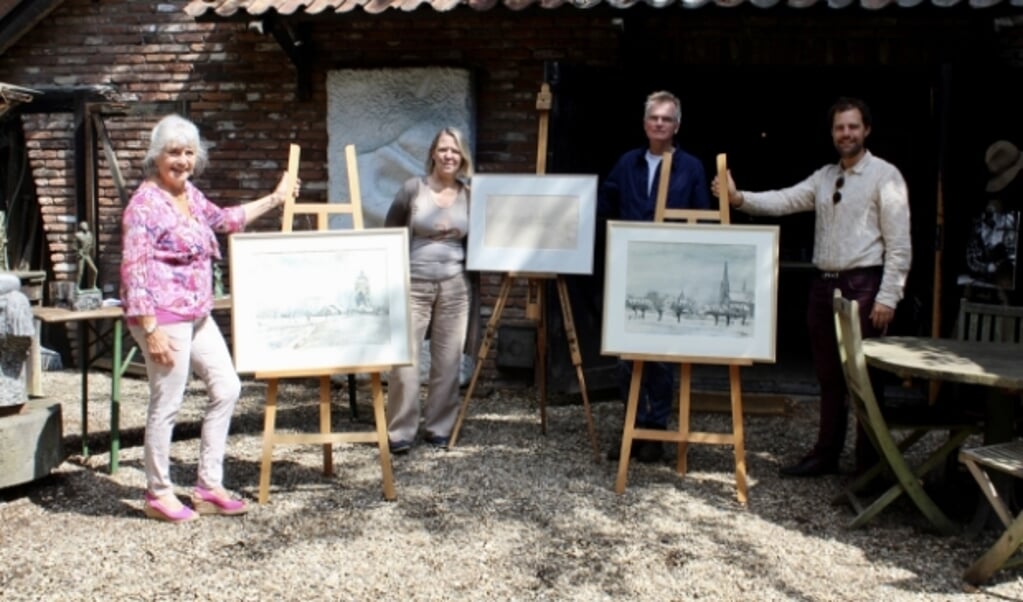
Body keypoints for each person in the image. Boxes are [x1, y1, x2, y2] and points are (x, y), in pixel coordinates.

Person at [712, 97, 911, 477]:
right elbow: (784, 199)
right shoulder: (825, 177)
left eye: (853, 126)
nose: (846, 134)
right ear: (833, 133)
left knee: (866, 379)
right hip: (825, 286)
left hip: (864, 285)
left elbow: (900, 245)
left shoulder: (886, 176)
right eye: (840, 128)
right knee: (829, 376)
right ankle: (826, 455)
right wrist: (739, 199)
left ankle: (871, 465)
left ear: (866, 129)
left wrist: (888, 296)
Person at [121, 114, 297, 522]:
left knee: (227, 387)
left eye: (188, 153)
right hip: (161, 317)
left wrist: (276, 197)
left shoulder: (190, 195)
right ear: (156, 157)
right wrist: (150, 331)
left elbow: (224, 220)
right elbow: (134, 271)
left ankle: (207, 486)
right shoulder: (144, 205)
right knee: (167, 403)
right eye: (173, 153)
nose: (181, 161)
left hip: (197, 313)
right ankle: (159, 493)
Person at [599, 90, 712, 463]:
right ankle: (632, 426)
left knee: (662, 357)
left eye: (666, 119)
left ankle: (656, 431)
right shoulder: (627, 163)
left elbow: (702, 218)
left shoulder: (691, 167)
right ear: (645, 123)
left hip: (671, 273)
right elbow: (606, 206)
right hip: (629, 269)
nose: (659, 124)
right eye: (654, 118)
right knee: (626, 356)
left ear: (676, 125)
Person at [384, 127, 475, 454]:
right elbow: (390, 233)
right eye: (444, 149)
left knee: (448, 362)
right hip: (414, 285)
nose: (449, 156)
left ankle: (439, 427)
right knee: (405, 362)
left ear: (462, 156)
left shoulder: (470, 194)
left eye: (455, 151)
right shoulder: (413, 189)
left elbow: (481, 241)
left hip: (454, 287)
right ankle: (401, 430)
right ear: (433, 154)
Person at [75, 221, 99, 291]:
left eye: (86, 225)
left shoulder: (90, 234)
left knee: (95, 270)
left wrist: (90, 247)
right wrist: (78, 252)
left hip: (87, 255)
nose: (86, 227)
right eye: (84, 226)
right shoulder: (77, 235)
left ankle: (93, 285)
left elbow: (92, 244)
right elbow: (73, 246)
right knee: (80, 272)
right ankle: (77, 287)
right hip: (81, 256)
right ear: (81, 227)